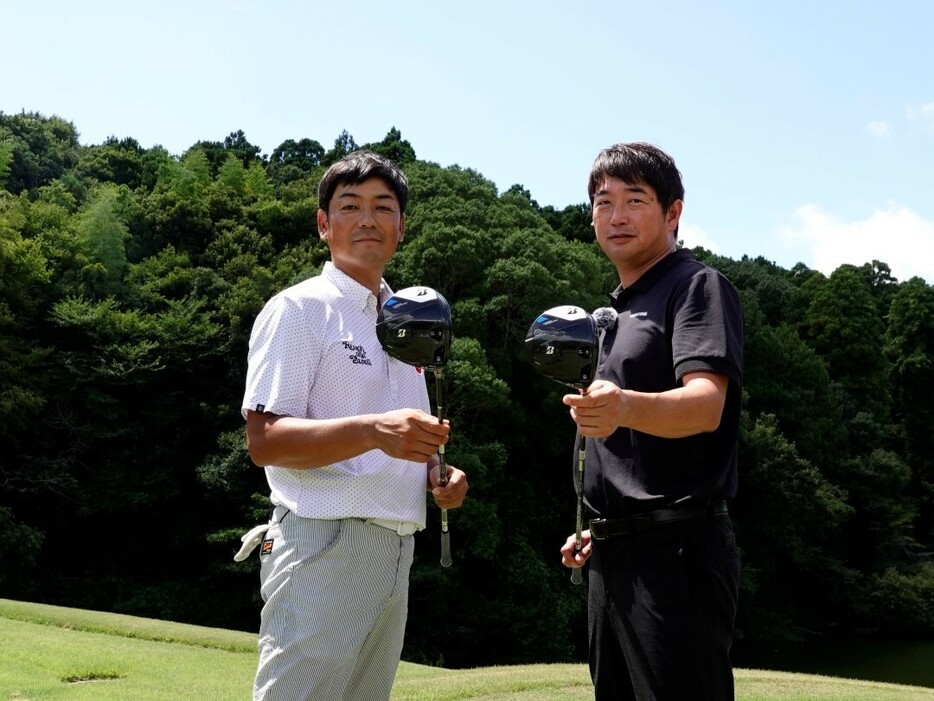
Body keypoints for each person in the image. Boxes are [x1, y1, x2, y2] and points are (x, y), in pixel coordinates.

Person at [240, 150, 468, 701]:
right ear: (324, 225)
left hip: (396, 548)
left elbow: (399, 440)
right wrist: (371, 430)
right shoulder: (299, 309)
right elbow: (264, 441)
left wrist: (440, 474)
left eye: (382, 207)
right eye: (350, 206)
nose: (368, 219)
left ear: (401, 226)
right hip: (322, 542)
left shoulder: (407, 322)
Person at [559, 142, 744, 700]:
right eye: (603, 201)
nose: (616, 216)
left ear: (672, 213)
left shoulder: (695, 287)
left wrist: (623, 406)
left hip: (677, 552)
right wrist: (600, 523)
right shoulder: (618, 310)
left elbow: (706, 405)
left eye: (634, 200)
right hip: (612, 555)